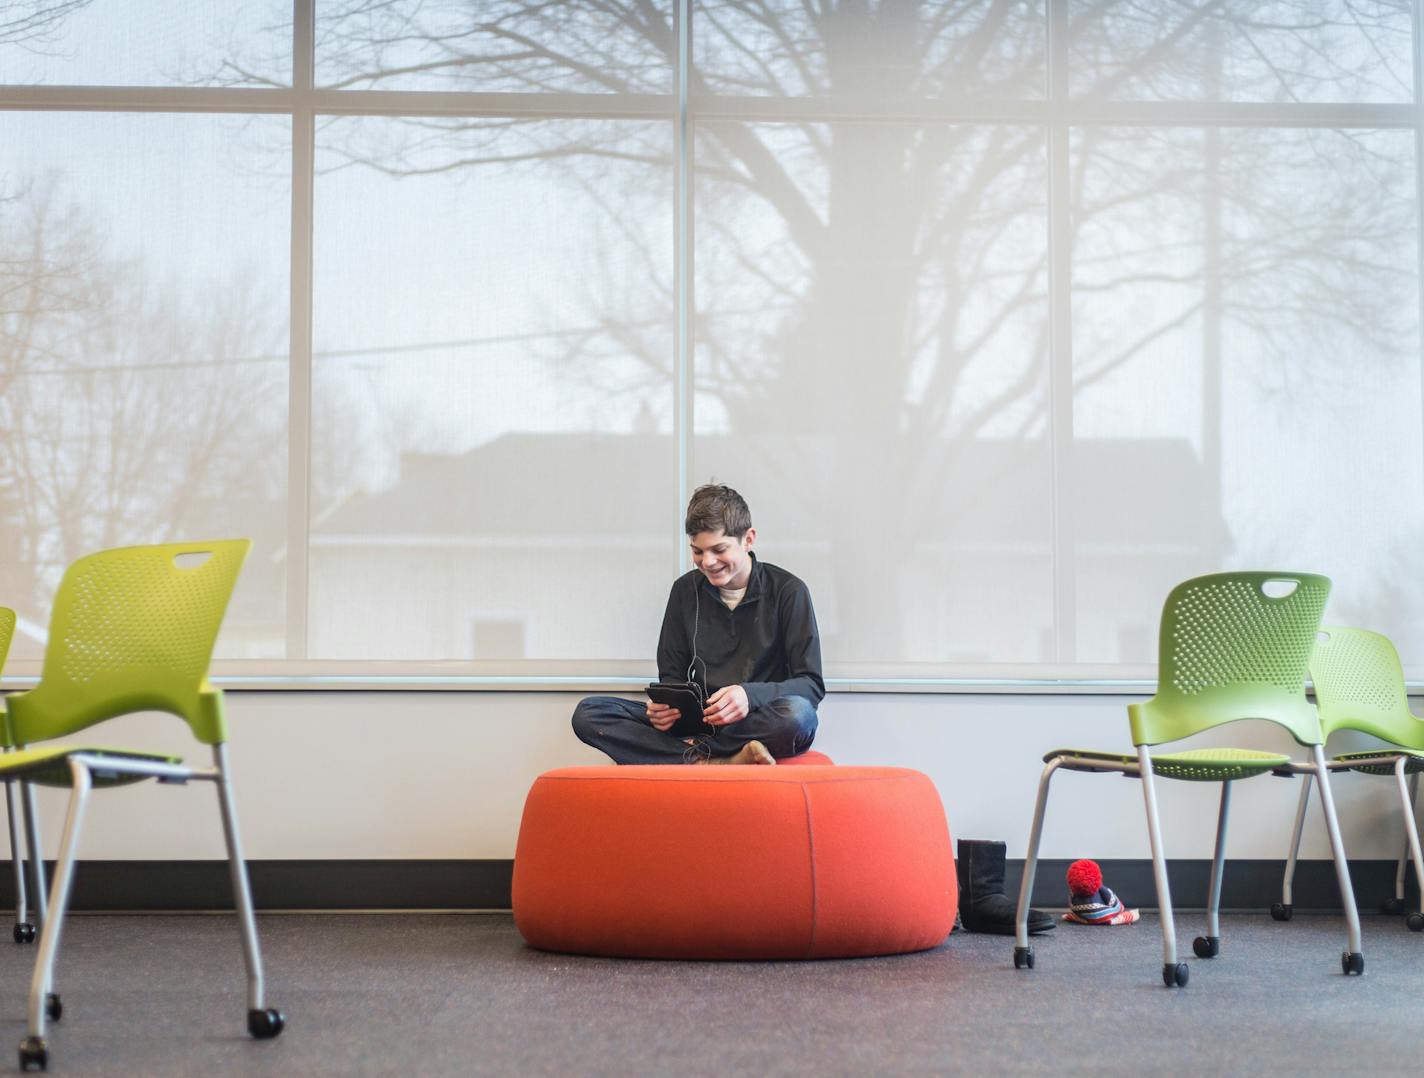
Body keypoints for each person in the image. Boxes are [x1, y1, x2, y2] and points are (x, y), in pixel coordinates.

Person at [572, 484, 822, 765]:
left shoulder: (789, 591)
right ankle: (714, 759)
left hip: (754, 720)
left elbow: (810, 686)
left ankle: (693, 754)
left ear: (748, 539)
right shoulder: (684, 591)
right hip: (698, 721)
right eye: (698, 552)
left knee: (799, 715)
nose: (708, 562)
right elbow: (672, 676)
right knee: (589, 713)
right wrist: (664, 709)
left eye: (719, 549)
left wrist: (749, 696)